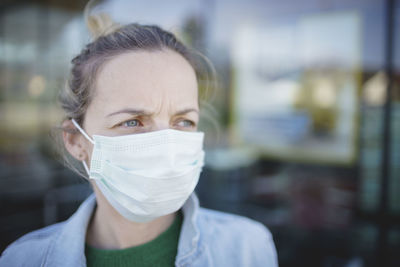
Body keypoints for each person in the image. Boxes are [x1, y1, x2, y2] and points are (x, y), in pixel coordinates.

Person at [0, 2, 278, 267]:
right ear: (76, 140)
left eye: (183, 121)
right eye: (133, 122)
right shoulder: (24, 260)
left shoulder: (247, 249)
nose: (166, 145)